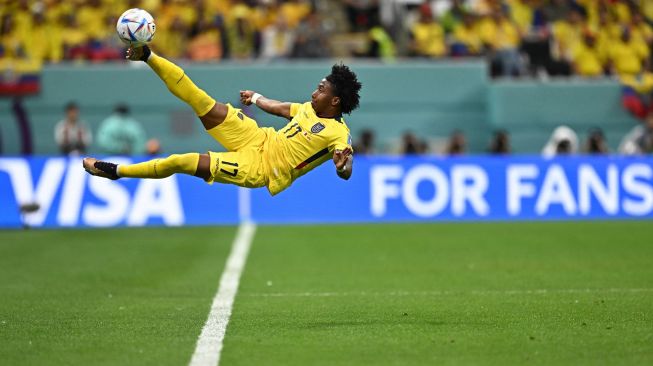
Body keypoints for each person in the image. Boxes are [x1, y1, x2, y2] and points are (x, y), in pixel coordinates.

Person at [83, 45, 361, 196]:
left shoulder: (338, 134)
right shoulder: (308, 109)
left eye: (321, 90)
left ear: (335, 101)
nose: (314, 92)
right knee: (201, 100)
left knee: (182, 161)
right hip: (258, 137)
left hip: (261, 168)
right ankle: (149, 55)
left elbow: (345, 167)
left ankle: (117, 171)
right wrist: (256, 98)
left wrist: (341, 168)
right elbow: (279, 108)